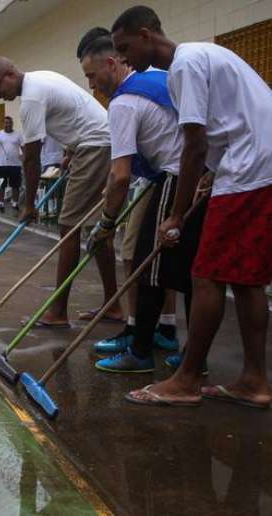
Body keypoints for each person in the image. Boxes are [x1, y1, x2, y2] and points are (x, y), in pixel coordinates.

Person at [112, 5, 271, 407]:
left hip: (248, 169)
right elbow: (220, 133)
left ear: (147, 34)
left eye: (125, 47)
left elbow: (195, 145)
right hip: (254, 165)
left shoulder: (184, 66)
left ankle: (186, 381)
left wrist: (176, 215)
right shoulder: (202, 55)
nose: (125, 59)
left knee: (207, 275)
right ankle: (254, 381)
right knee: (247, 279)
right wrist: (209, 177)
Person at [77, 35, 206, 373]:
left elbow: (119, 176)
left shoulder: (122, 103)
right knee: (191, 270)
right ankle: (191, 353)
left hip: (176, 176)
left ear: (112, 63)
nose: (91, 85)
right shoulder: (157, 80)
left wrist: (105, 225)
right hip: (201, 175)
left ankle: (140, 351)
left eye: (92, 76)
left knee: (148, 268)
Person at [0, 57, 124, 327]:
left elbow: (31, 158)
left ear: (11, 73)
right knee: (98, 230)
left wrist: (29, 204)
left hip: (94, 146)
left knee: (68, 227)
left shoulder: (31, 99)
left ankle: (58, 312)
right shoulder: (41, 75)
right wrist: (70, 150)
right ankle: (113, 305)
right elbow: (75, 113)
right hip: (99, 143)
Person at [0, 116, 24, 212]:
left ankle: (15, 203)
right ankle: (1, 203)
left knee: (15, 185)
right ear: (3, 124)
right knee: (1, 185)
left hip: (15, 164)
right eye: (6, 123)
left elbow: (23, 148)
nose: (8, 124)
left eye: (9, 123)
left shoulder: (18, 134)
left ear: (12, 123)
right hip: (1, 164)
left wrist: (24, 160)